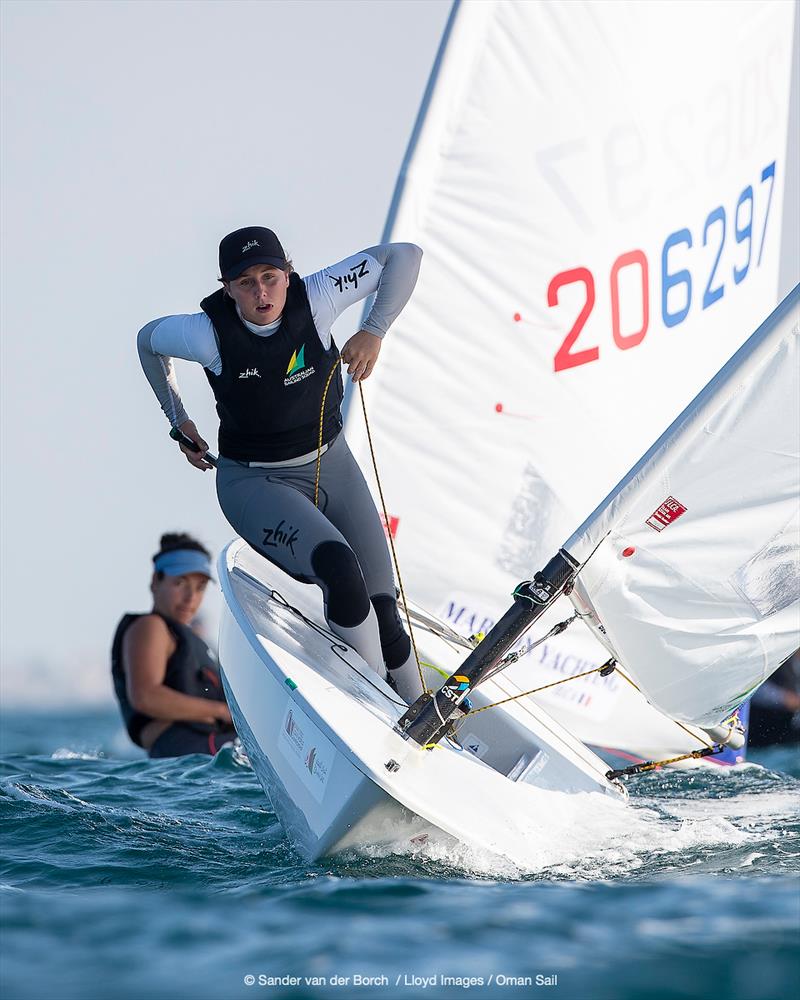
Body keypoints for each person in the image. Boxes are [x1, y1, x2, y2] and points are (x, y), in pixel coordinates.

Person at [137, 228, 424, 702]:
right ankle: (378, 706)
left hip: (332, 466)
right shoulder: (205, 333)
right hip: (254, 482)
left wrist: (373, 331)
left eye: (270, 277)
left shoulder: (319, 295)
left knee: (384, 608)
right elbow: (148, 340)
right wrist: (179, 420)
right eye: (245, 283)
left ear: (288, 274)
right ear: (226, 288)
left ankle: (422, 713)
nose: (261, 292)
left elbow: (405, 256)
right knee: (340, 571)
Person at [111, 533, 237, 757]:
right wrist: (220, 712)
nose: (191, 597)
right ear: (155, 582)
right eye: (180, 583)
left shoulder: (188, 638)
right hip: (182, 748)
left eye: (200, 587)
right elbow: (145, 696)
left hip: (202, 748)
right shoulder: (151, 626)